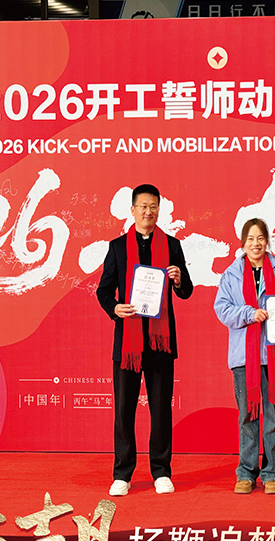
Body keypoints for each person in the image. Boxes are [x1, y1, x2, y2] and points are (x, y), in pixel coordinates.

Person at [97, 184, 193, 496]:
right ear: (133, 210)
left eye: (153, 206)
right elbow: (103, 290)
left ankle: (161, 471)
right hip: (128, 342)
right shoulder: (117, 247)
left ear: (159, 210)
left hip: (160, 342)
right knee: (124, 410)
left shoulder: (173, 246)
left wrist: (178, 280)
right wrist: (115, 308)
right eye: (143, 206)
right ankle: (122, 474)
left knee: (161, 409)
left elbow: (186, 291)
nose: (148, 212)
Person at [214, 218, 275, 495]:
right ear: (243, 243)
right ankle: (246, 473)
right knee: (247, 417)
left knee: (274, 416)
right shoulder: (232, 275)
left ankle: (271, 473)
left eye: (260, 238)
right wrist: (249, 313)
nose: (255, 244)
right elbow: (222, 309)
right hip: (243, 358)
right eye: (250, 239)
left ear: (267, 241)